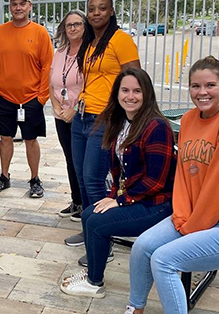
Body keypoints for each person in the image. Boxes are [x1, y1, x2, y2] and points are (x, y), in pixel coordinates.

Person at [123, 56, 219, 314]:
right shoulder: (190, 119)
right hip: (195, 215)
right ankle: (135, 308)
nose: (202, 92)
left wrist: (191, 227)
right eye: (195, 86)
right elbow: (183, 175)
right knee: (142, 247)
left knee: (164, 260)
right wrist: (181, 216)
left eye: (210, 85)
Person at [60, 68, 176, 298]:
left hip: (158, 204)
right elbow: (120, 171)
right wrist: (113, 196)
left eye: (137, 91)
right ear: (117, 93)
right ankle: (92, 272)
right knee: (87, 214)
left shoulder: (156, 127)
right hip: (136, 197)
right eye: (125, 90)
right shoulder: (121, 122)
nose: (130, 96)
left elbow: (155, 181)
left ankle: (94, 283)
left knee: (97, 224)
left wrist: (122, 201)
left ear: (147, 94)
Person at [65, 0, 140, 249]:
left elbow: (135, 80)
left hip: (104, 118)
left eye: (102, 8)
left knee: (95, 180)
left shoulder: (120, 40)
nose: (96, 12)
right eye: (92, 8)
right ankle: (90, 228)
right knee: (82, 178)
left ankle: (101, 242)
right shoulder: (90, 42)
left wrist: (122, 114)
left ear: (111, 11)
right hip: (82, 116)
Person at [0, 0, 54, 198]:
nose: (18, 7)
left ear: (29, 6)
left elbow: (47, 67)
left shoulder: (40, 33)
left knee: (31, 140)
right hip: (3, 98)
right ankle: (4, 177)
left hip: (31, 99)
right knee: (5, 138)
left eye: (22, 3)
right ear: (10, 8)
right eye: (14, 4)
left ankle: (35, 179)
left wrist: (41, 98)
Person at [50, 10, 86, 220]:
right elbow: (52, 82)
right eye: (69, 24)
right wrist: (56, 107)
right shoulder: (60, 51)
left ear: (85, 27)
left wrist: (74, 110)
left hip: (79, 113)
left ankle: (85, 202)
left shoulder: (89, 51)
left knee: (81, 160)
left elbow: (90, 85)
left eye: (77, 24)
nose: (72, 28)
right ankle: (76, 200)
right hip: (60, 114)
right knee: (70, 159)